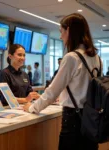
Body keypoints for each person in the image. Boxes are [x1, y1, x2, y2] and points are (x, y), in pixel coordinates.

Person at [24, 13, 102, 150]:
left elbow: (52, 91)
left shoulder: (72, 57)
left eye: (62, 32)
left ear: (69, 31)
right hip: (91, 119)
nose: (61, 36)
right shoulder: (96, 58)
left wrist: (32, 107)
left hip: (73, 120)